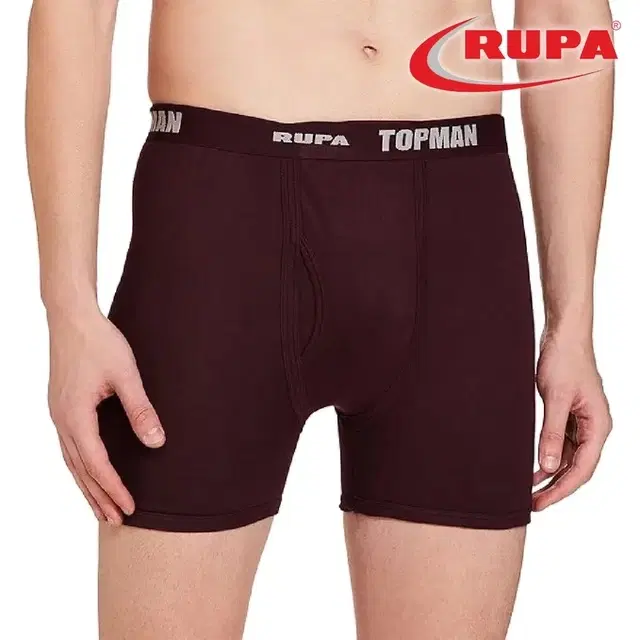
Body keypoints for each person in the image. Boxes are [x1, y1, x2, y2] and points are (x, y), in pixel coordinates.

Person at [26, 1, 614, 638]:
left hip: (458, 231)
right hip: (221, 218)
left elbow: (565, 13)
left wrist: (573, 324)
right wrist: (69, 308)